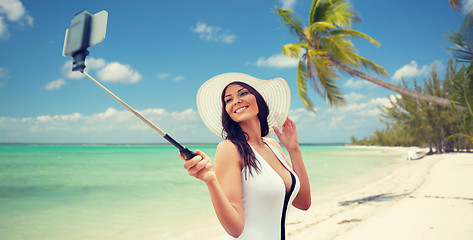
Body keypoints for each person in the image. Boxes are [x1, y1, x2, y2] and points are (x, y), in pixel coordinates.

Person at [179, 73, 311, 239]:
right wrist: (211, 181)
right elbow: (235, 230)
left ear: (259, 99)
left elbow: (303, 203)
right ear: (227, 111)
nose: (236, 101)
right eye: (228, 100)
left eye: (242, 93)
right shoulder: (229, 148)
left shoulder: (273, 145)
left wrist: (294, 150)